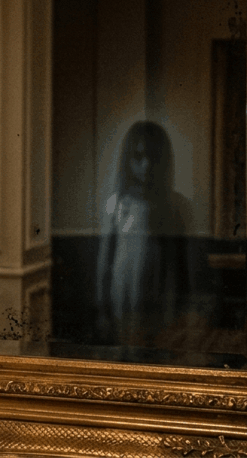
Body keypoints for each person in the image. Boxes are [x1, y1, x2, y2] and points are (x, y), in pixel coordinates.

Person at [95, 121, 190, 347]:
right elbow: (105, 260)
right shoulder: (117, 203)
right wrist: (101, 308)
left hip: (157, 291)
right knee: (125, 344)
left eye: (153, 158)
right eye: (138, 157)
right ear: (128, 159)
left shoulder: (173, 205)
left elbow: (177, 264)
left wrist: (177, 310)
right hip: (123, 291)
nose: (146, 165)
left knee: (154, 346)